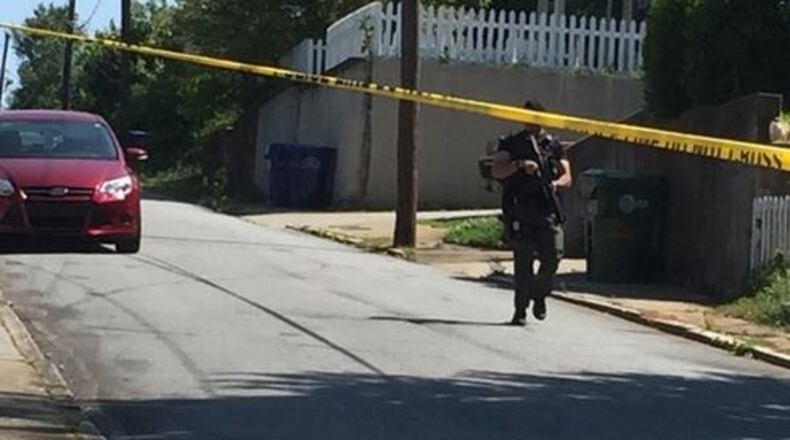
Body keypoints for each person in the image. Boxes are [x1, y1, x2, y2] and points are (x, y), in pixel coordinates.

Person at [491, 100, 573, 325]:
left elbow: (568, 176)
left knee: (553, 257)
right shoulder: (511, 143)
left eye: (535, 118)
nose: (531, 122)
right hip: (521, 208)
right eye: (527, 117)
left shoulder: (553, 144)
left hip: (547, 207)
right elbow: (497, 170)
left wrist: (557, 184)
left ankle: (539, 294)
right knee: (523, 261)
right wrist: (519, 165)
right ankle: (520, 310)